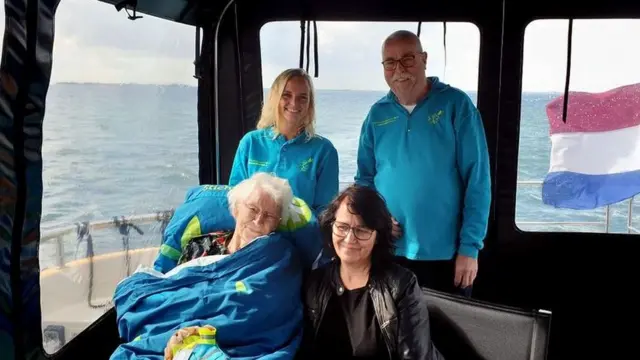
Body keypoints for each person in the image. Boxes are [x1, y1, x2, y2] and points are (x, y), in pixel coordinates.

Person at [354, 30, 491, 296]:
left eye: (408, 59)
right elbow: (364, 179)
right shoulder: (376, 114)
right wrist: (377, 216)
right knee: (391, 334)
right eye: (390, 62)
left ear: (424, 59)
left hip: (447, 255)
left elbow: (478, 179)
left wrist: (470, 248)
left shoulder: (456, 105)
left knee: (446, 335)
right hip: (389, 250)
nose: (399, 69)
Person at [299, 184, 444, 360]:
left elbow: (416, 356)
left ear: (378, 236)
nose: (349, 238)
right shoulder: (315, 283)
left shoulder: (402, 286)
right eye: (342, 227)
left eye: (361, 230)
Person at [229, 68, 339, 215]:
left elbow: (325, 211)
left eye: (302, 98)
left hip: (300, 235)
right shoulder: (250, 143)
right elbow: (234, 199)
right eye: (286, 95)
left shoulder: (324, 150)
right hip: (254, 231)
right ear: (275, 99)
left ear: (309, 105)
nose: (294, 103)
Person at [176, 172, 291, 264]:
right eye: (253, 209)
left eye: (269, 216)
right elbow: (175, 285)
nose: (259, 220)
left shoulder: (279, 257)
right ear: (235, 209)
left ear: (276, 224)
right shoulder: (199, 246)